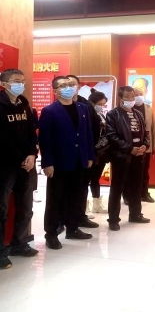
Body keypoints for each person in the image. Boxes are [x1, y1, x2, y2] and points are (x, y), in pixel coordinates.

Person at [39, 76, 95, 250]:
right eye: (63, 85)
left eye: (71, 85)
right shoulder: (49, 111)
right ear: (55, 91)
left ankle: (72, 228)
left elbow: (88, 134)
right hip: (58, 163)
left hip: (79, 160)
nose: (68, 88)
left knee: (75, 197)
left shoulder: (83, 108)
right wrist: (47, 163)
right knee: (55, 199)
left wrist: (89, 156)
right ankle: (51, 234)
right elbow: (45, 139)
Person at [0, 69, 39, 269]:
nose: (21, 84)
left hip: (27, 163)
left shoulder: (24, 104)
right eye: (16, 81)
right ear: (4, 84)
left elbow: (32, 132)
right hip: (5, 165)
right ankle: (1, 252)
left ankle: (20, 243)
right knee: (2, 209)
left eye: (22, 81)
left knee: (25, 206)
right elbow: (3, 138)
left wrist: (32, 154)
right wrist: (20, 158)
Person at [106, 86, 150, 231]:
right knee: (117, 188)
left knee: (136, 186)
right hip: (122, 156)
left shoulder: (138, 114)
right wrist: (129, 148)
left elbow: (145, 132)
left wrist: (145, 145)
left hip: (139, 156)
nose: (131, 99)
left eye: (133, 97)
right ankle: (113, 219)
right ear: (121, 98)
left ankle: (135, 214)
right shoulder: (113, 114)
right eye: (128, 97)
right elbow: (112, 136)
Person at [67, 75, 100, 227]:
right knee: (64, 190)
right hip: (65, 155)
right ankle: (62, 220)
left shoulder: (85, 105)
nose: (70, 87)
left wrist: (91, 151)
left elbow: (94, 127)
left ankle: (80, 216)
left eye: (73, 84)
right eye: (66, 84)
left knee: (82, 187)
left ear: (79, 86)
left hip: (84, 153)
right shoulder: (55, 107)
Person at [133, 87, 155, 203]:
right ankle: (129, 194)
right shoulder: (129, 109)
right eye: (136, 94)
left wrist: (154, 144)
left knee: (145, 171)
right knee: (132, 172)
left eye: (140, 94)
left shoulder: (148, 108)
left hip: (146, 145)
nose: (138, 96)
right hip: (133, 146)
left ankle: (144, 193)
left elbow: (153, 127)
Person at [87, 88, 109, 214]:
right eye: (99, 104)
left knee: (96, 178)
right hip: (92, 151)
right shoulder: (88, 115)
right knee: (86, 179)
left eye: (103, 104)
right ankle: (83, 206)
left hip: (102, 152)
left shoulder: (101, 115)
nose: (101, 107)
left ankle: (96, 203)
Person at [29, 107, 41, 203]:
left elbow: (35, 128)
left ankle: (34, 191)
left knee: (32, 170)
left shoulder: (31, 110)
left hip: (29, 147)